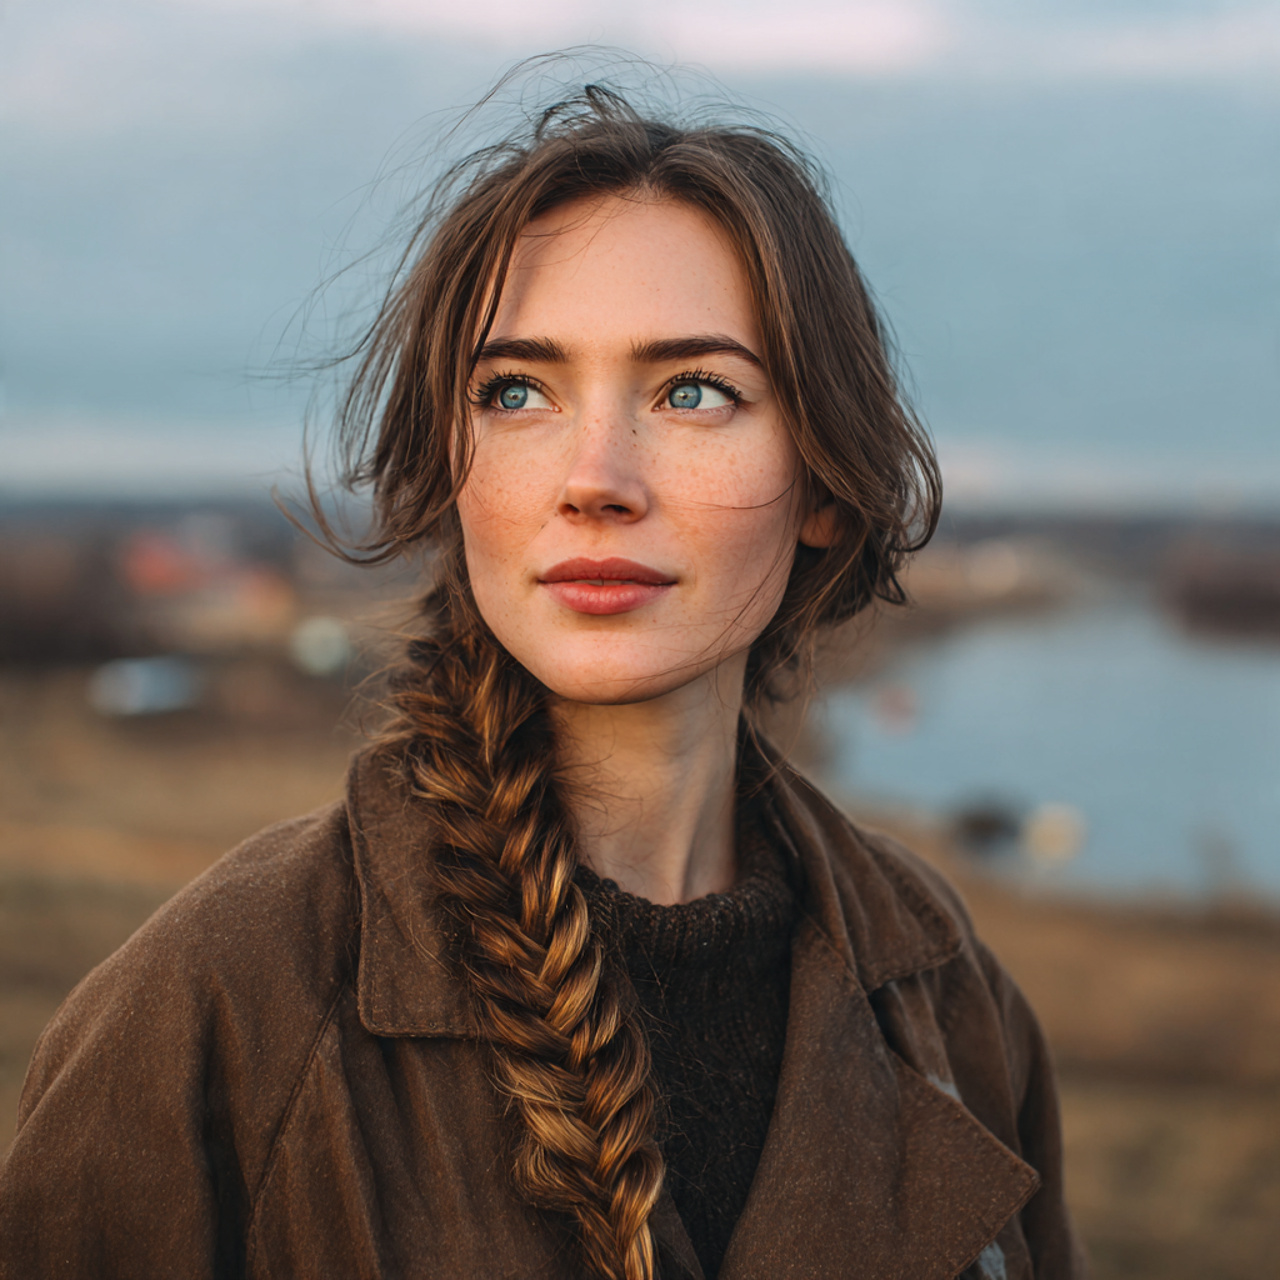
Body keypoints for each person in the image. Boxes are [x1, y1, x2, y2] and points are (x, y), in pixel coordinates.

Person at [0, 81, 1087, 1280]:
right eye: (515, 392)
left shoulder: (950, 996)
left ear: (823, 481)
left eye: (692, 391)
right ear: (449, 468)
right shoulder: (210, 1008)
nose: (594, 478)